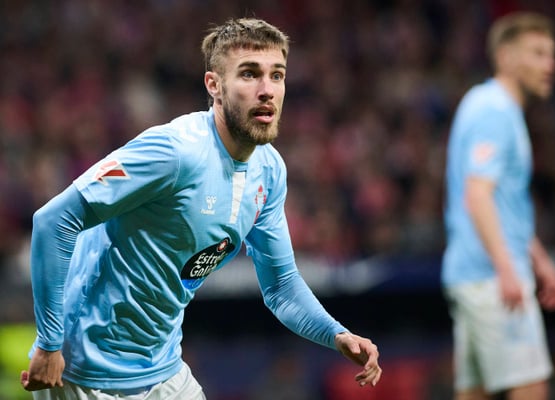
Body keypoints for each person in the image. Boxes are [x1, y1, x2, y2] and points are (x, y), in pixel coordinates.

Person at [20, 17, 382, 399]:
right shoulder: (174, 152)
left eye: (277, 75)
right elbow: (54, 220)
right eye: (249, 74)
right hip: (85, 374)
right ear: (214, 85)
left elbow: (280, 285)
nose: (266, 90)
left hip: (164, 369)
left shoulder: (269, 170)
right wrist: (49, 343)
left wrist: (336, 334)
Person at [442, 11, 555, 400]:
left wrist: (538, 259)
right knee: (531, 388)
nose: (550, 65)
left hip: (476, 276)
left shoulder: (491, 106)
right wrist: (508, 269)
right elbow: (477, 196)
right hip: (492, 278)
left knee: (474, 393)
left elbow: (503, 204)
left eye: (552, 54)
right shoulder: (494, 111)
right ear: (506, 57)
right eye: (538, 53)